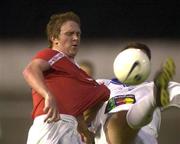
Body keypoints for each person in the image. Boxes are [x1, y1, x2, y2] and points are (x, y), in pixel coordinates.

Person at [23, 11, 110, 144]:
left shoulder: (78, 73)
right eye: (69, 34)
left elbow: (76, 111)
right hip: (51, 127)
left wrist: (85, 132)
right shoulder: (53, 55)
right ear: (54, 38)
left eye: (78, 34)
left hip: (69, 130)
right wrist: (48, 95)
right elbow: (30, 70)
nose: (75, 38)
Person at [87, 42, 178, 144]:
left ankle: (153, 99)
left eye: (142, 59)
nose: (136, 63)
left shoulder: (156, 85)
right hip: (109, 134)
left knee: (122, 117)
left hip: (144, 137)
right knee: (120, 117)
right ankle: (152, 100)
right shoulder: (102, 84)